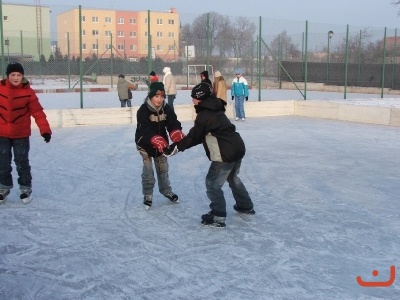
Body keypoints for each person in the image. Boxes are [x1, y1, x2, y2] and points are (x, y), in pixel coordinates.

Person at [164, 82, 255, 227]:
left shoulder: (204, 115)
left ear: (200, 98)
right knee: (233, 179)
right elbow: (200, 136)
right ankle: (246, 206)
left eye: (194, 97)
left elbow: (194, 137)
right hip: (237, 148)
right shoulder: (216, 109)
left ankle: (218, 215)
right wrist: (179, 145)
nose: (192, 100)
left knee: (212, 183)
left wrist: (174, 148)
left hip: (224, 154)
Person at [0, 62, 52, 204]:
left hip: (21, 135)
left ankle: (25, 188)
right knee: (2, 162)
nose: (16, 78)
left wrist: (45, 130)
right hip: (2, 134)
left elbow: (38, 112)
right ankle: (3, 187)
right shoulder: (0, 89)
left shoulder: (28, 92)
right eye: (13, 75)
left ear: (22, 76)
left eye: (19, 75)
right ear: (7, 76)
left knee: (21, 161)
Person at [135, 81, 185, 210]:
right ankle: (148, 195)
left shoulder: (166, 108)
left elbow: (173, 121)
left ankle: (166, 190)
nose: (159, 99)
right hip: (145, 144)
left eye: (162, 96)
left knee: (163, 169)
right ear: (151, 96)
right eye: (156, 96)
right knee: (148, 172)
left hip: (161, 144)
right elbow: (145, 129)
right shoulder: (143, 110)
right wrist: (154, 138)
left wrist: (175, 131)